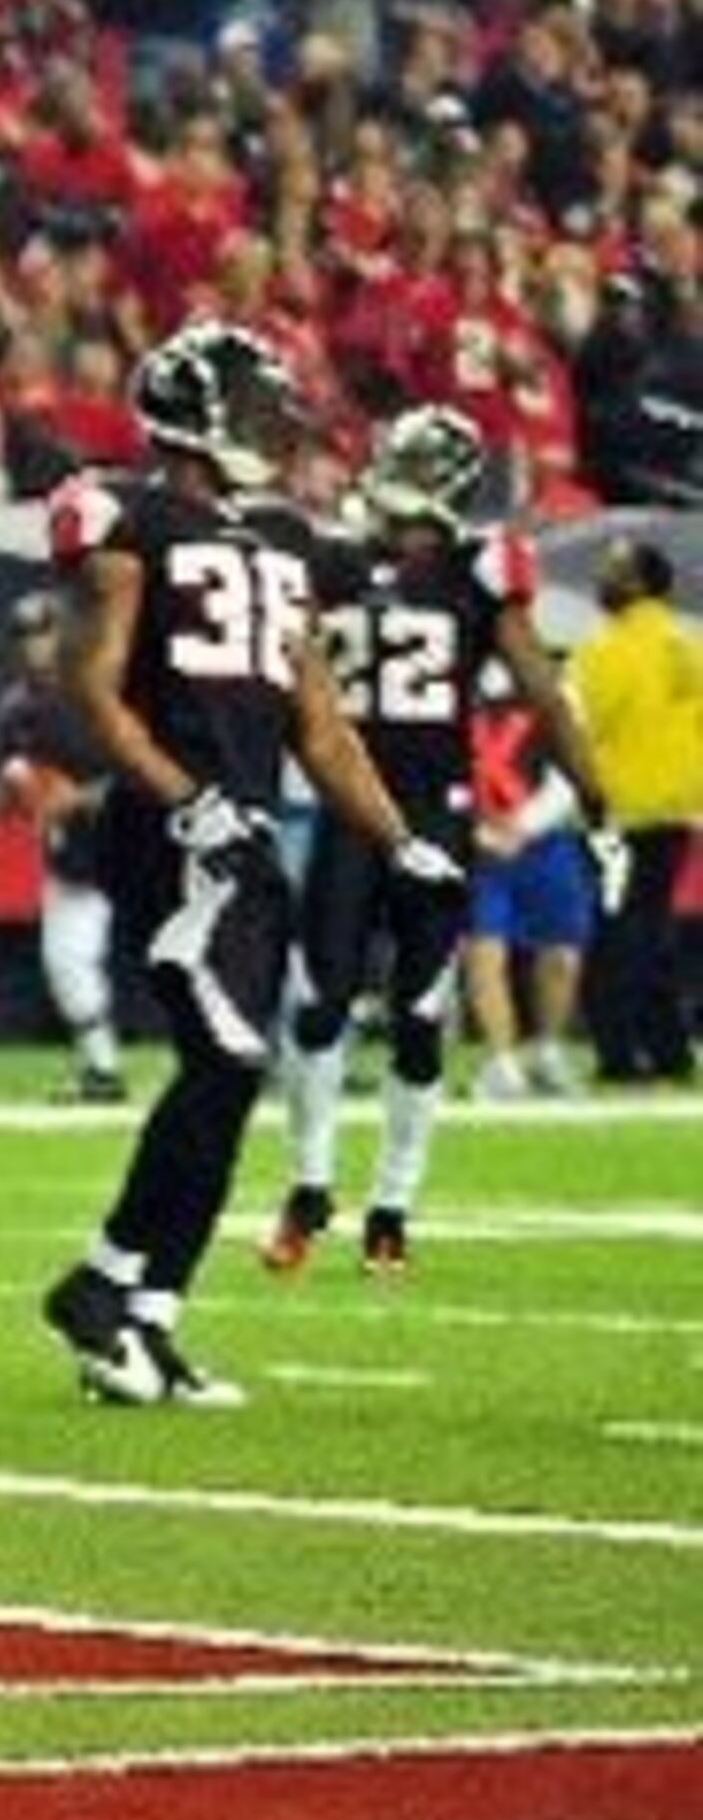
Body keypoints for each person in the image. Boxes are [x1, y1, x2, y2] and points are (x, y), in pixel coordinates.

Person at [38, 325, 460, 1410]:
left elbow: (319, 725)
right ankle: (100, 1284)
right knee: (224, 1059)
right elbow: (89, 689)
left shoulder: (281, 538)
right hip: (177, 837)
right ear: (202, 412)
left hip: (255, 835)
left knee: (235, 1081)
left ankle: (144, 1315)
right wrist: (186, 798)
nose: (276, 416)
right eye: (252, 398)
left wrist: (398, 840)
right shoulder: (132, 519)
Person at [263, 409, 603, 1276]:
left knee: (418, 1016)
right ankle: (309, 1182)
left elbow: (538, 686)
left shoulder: (481, 569)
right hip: (349, 806)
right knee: (321, 1002)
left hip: (436, 811)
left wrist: (589, 783)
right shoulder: (334, 557)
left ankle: (393, 1206)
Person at [572, 536, 702, 1084]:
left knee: (617, 934)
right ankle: (668, 1048)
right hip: (674, 810)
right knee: (652, 931)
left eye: (615, 571)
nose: (604, 579)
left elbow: (580, 729)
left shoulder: (602, 652)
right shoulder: (689, 646)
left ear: (639, 583)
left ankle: (619, 1052)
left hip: (617, 812)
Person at [0, 589, 127, 1105]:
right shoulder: (16, 709)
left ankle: (250, 1055)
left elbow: (149, 766)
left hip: (137, 843)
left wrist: (85, 795)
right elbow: (11, 791)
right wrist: (18, 796)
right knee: (67, 960)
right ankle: (102, 1067)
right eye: (25, 636)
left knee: (194, 953)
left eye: (44, 633)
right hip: (74, 854)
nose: (34, 647)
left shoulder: (104, 693)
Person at [463, 677, 603, 1100]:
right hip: (478, 840)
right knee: (484, 949)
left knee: (561, 952)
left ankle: (547, 1050)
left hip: (548, 840)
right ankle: (502, 1061)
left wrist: (523, 827)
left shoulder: (554, 686)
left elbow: (570, 766)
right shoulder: (456, 678)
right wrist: (473, 829)